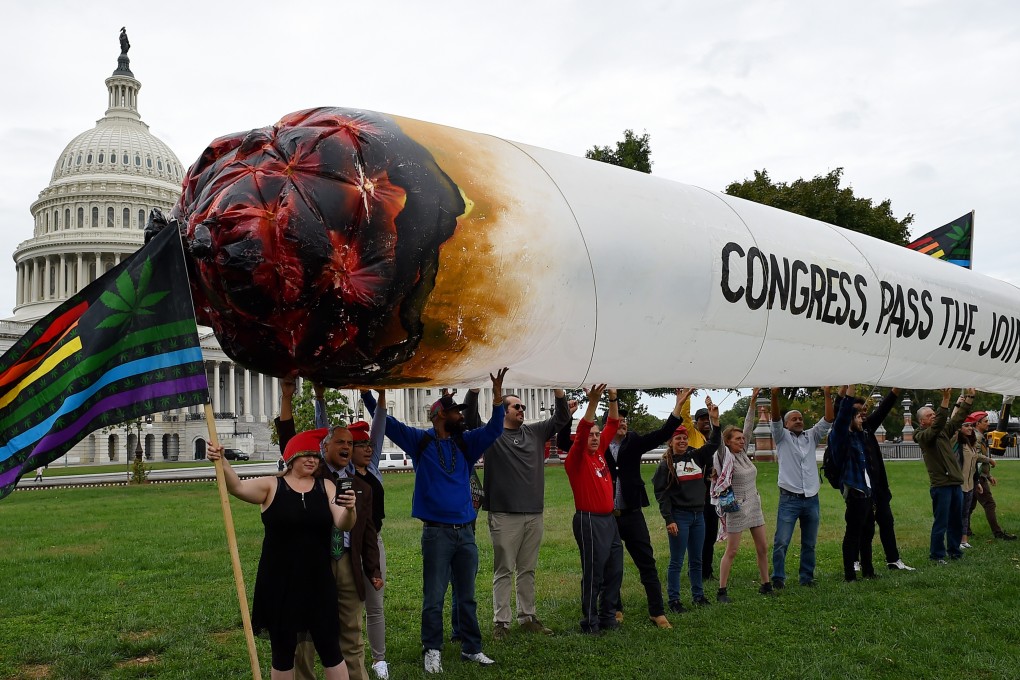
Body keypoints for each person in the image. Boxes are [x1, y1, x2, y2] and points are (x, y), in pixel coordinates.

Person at [382, 368, 508, 674]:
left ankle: (471, 648)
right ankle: (432, 650)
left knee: (467, 596)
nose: (460, 417)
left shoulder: (465, 442)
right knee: (434, 597)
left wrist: (497, 396)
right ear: (439, 416)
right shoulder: (419, 442)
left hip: (466, 533)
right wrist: (372, 393)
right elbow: (387, 424)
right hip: (436, 535)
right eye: (455, 412)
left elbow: (493, 429)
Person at [207, 433, 356, 680]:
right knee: (283, 651)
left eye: (315, 456)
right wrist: (221, 460)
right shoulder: (271, 485)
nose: (311, 461)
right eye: (304, 455)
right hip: (279, 582)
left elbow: (344, 523)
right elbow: (237, 487)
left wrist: (350, 509)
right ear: (290, 457)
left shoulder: (326, 486)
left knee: (331, 648)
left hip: (318, 581)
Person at [284, 384, 382, 680]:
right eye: (340, 442)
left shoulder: (362, 487)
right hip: (316, 560)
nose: (346, 447)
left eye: (350, 444)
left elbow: (367, 533)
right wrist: (290, 399)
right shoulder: (313, 474)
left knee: (351, 631)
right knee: (307, 634)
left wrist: (373, 569)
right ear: (324, 446)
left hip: (348, 563)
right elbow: (289, 443)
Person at [463, 385, 570, 640]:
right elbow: (470, 419)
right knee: (504, 569)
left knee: (527, 568)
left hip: (534, 512)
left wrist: (559, 394)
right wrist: (475, 392)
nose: (522, 410)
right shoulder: (492, 434)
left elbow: (561, 419)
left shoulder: (534, 432)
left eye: (522, 407)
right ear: (504, 410)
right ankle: (501, 622)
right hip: (503, 514)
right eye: (516, 406)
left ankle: (528, 616)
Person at [604, 388, 690, 629]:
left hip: (631, 514)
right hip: (608, 516)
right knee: (611, 565)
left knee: (647, 562)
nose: (622, 423)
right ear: (608, 423)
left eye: (625, 420)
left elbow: (663, 432)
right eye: (617, 419)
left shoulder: (634, 442)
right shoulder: (599, 445)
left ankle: (657, 611)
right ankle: (615, 608)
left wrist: (678, 406)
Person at [651, 396, 720, 612]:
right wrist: (669, 519)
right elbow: (661, 494)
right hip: (679, 517)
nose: (681, 441)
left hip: (698, 516)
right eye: (677, 439)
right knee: (677, 561)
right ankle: (674, 600)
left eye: (684, 438)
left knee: (697, 559)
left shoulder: (696, 457)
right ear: (670, 442)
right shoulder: (666, 465)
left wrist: (715, 421)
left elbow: (714, 443)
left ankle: (698, 596)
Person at [564, 384, 621, 634]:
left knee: (614, 570)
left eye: (597, 434)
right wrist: (593, 402)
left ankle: (608, 616)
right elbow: (585, 427)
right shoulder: (576, 459)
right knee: (594, 572)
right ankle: (590, 621)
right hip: (589, 520)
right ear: (579, 438)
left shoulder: (599, 452)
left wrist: (613, 397)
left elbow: (613, 423)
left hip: (609, 520)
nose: (595, 437)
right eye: (590, 434)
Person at [712, 388, 773, 602]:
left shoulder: (744, 455)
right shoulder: (724, 456)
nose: (741, 441)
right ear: (727, 441)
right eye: (737, 439)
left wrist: (752, 401)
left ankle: (766, 584)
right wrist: (715, 420)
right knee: (732, 551)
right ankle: (722, 590)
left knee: (763, 547)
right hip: (736, 508)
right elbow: (717, 441)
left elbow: (748, 426)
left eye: (742, 439)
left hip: (754, 505)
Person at [769, 386, 833, 588]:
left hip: (811, 498)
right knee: (782, 541)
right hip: (789, 498)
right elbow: (775, 418)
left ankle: (807, 577)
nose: (798, 421)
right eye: (794, 419)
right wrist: (774, 395)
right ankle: (778, 578)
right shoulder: (781, 437)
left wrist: (827, 394)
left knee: (809, 542)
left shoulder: (811, 436)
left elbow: (828, 419)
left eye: (800, 418)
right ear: (786, 424)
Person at [852, 388, 915, 571]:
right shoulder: (848, 434)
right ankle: (856, 561)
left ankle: (893, 560)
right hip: (860, 489)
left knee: (887, 522)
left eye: (864, 410)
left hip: (879, 489)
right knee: (862, 526)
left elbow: (883, 409)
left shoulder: (868, 427)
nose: (863, 414)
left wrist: (895, 391)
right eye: (858, 411)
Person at [915, 388, 972, 563]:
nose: (933, 416)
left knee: (956, 521)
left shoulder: (942, 432)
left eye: (934, 414)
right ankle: (937, 555)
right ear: (921, 422)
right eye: (929, 415)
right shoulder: (922, 435)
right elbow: (940, 423)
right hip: (941, 485)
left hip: (954, 482)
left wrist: (969, 399)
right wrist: (945, 400)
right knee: (941, 523)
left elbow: (957, 420)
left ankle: (954, 551)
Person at [357, 390, 391, 680]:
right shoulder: (338, 473)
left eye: (369, 445)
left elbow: (380, 425)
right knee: (349, 607)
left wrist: (380, 396)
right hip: (345, 546)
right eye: (360, 445)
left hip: (374, 542)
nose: (368, 449)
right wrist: (318, 399)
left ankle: (379, 660)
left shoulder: (374, 468)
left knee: (375, 604)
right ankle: (351, 657)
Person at [829, 386, 877, 581]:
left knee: (868, 533)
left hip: (866, 492)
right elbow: (840, 416)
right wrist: (849, 388)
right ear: (850, 418)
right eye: (858, 417)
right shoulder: (840, 437)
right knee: (853, 535)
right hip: (855, 493)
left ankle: (868, 570)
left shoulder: (859, 436)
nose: (862, 420)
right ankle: (850, 574)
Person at [966, 410, 1016, 541]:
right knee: (989, 504)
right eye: (986, 421)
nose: (988, 424)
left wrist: (988, 476)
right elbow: (974, 457)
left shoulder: (979, 436)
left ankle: (965, 530)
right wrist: (989, 460)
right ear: (977, 423)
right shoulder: (976, 437)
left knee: (970, 505)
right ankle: (998, 533)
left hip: (976, 476)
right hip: (975, 477)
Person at [694, 406, 719, 581]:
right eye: (702, 419)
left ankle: (707, 570)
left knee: (710, 535)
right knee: (698, 537)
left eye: (708, 418)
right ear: (696, 423)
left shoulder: (715, 442)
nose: (706, 422)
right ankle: (696, 570)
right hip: (697, 496)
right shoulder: (694, 440)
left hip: (713, 495)